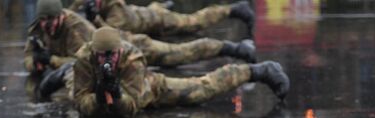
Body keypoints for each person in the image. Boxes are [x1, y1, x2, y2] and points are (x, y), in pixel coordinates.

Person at [26, 0, 256, 99]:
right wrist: (36, 60)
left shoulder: (100, 15)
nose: (48, 26)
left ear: (61, 16)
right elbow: (29, 56)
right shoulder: (46, 24)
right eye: (44, 22)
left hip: (136, 39)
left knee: (183, 45)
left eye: (51, 21)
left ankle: (235, 43)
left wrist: (52, 60)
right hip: (125, 37)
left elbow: (110, 36)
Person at [73, 26, 289, 116]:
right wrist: (98, 97)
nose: (107, 59)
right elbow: (80, 101)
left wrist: (116, 96)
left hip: (147, 89)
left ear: (120, 49)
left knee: (200, 89)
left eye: (111, 54)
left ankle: (257, 71)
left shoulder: (132, 59)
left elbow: (131, 109)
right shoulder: (84, 59)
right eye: (101, 55)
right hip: (108, 95)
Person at [70, 0, 255, 36]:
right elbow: (70, 15)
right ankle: (165, 5)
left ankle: (233, 10)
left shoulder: (116, 10)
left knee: (191, 23)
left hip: (156, 19)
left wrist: (94, 19)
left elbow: (110, 35)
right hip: (144, 13)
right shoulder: (86, 3)